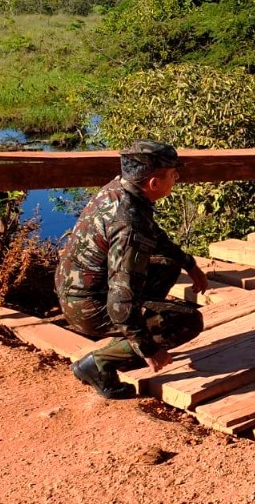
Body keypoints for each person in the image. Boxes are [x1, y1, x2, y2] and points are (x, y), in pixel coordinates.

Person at [56, 141, 209, 399]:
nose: (177, 178)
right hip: (89, 308)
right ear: (153, 183)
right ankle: (99, 364)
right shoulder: (129, 225)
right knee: (189, 321)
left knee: (167, 264)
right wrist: (148, 348)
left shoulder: (119, 190)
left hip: (80, 292)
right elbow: (120, 302)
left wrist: (189, 264)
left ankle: (139, 330)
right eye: (173, 174)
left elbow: (155, 236)